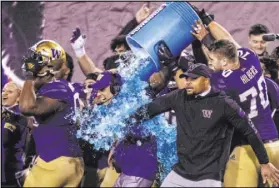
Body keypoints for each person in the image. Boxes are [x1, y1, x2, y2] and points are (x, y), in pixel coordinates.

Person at [129, 63, 279, 187]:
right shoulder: (178, 96)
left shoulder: (224, 104)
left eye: (193, 79)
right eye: (186, 78)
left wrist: (264, 162)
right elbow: (150, 109)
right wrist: (127, 121)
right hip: (180, 173)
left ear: (206, 80)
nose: (187, 82)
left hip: (208, 179)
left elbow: (250, 131)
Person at [191, 16, 279, 186]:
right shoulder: (251, 59)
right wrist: (208, 25)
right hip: (275, 144)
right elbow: (228, 40)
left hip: (248, 149)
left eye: (213, 60)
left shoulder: (224, 81)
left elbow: (202, 78)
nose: (211, 62)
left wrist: (200, 43)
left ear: (223, 61)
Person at [19, 40, 84, 187]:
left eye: (37, 59)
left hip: (55, 160)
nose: (33, 63)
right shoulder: (62, 87)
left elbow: (27, 107)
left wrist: (29, 76)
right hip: (69, 161)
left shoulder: (58, 87)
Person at [85, 71, 158, 187]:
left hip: (139, 173)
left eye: (102, 89)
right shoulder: (117, 108)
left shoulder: (132, 108)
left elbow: (143, 133)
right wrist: (115, 148)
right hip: (128, 172)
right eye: (98, 90)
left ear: (116, 89)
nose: (98, 94)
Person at [1, 81, 36, 187]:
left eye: (10, 91)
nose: (4, 94)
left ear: (19, 96)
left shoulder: (23, 118)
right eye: (3, 91)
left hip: (10, 176)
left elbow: (5, 138)